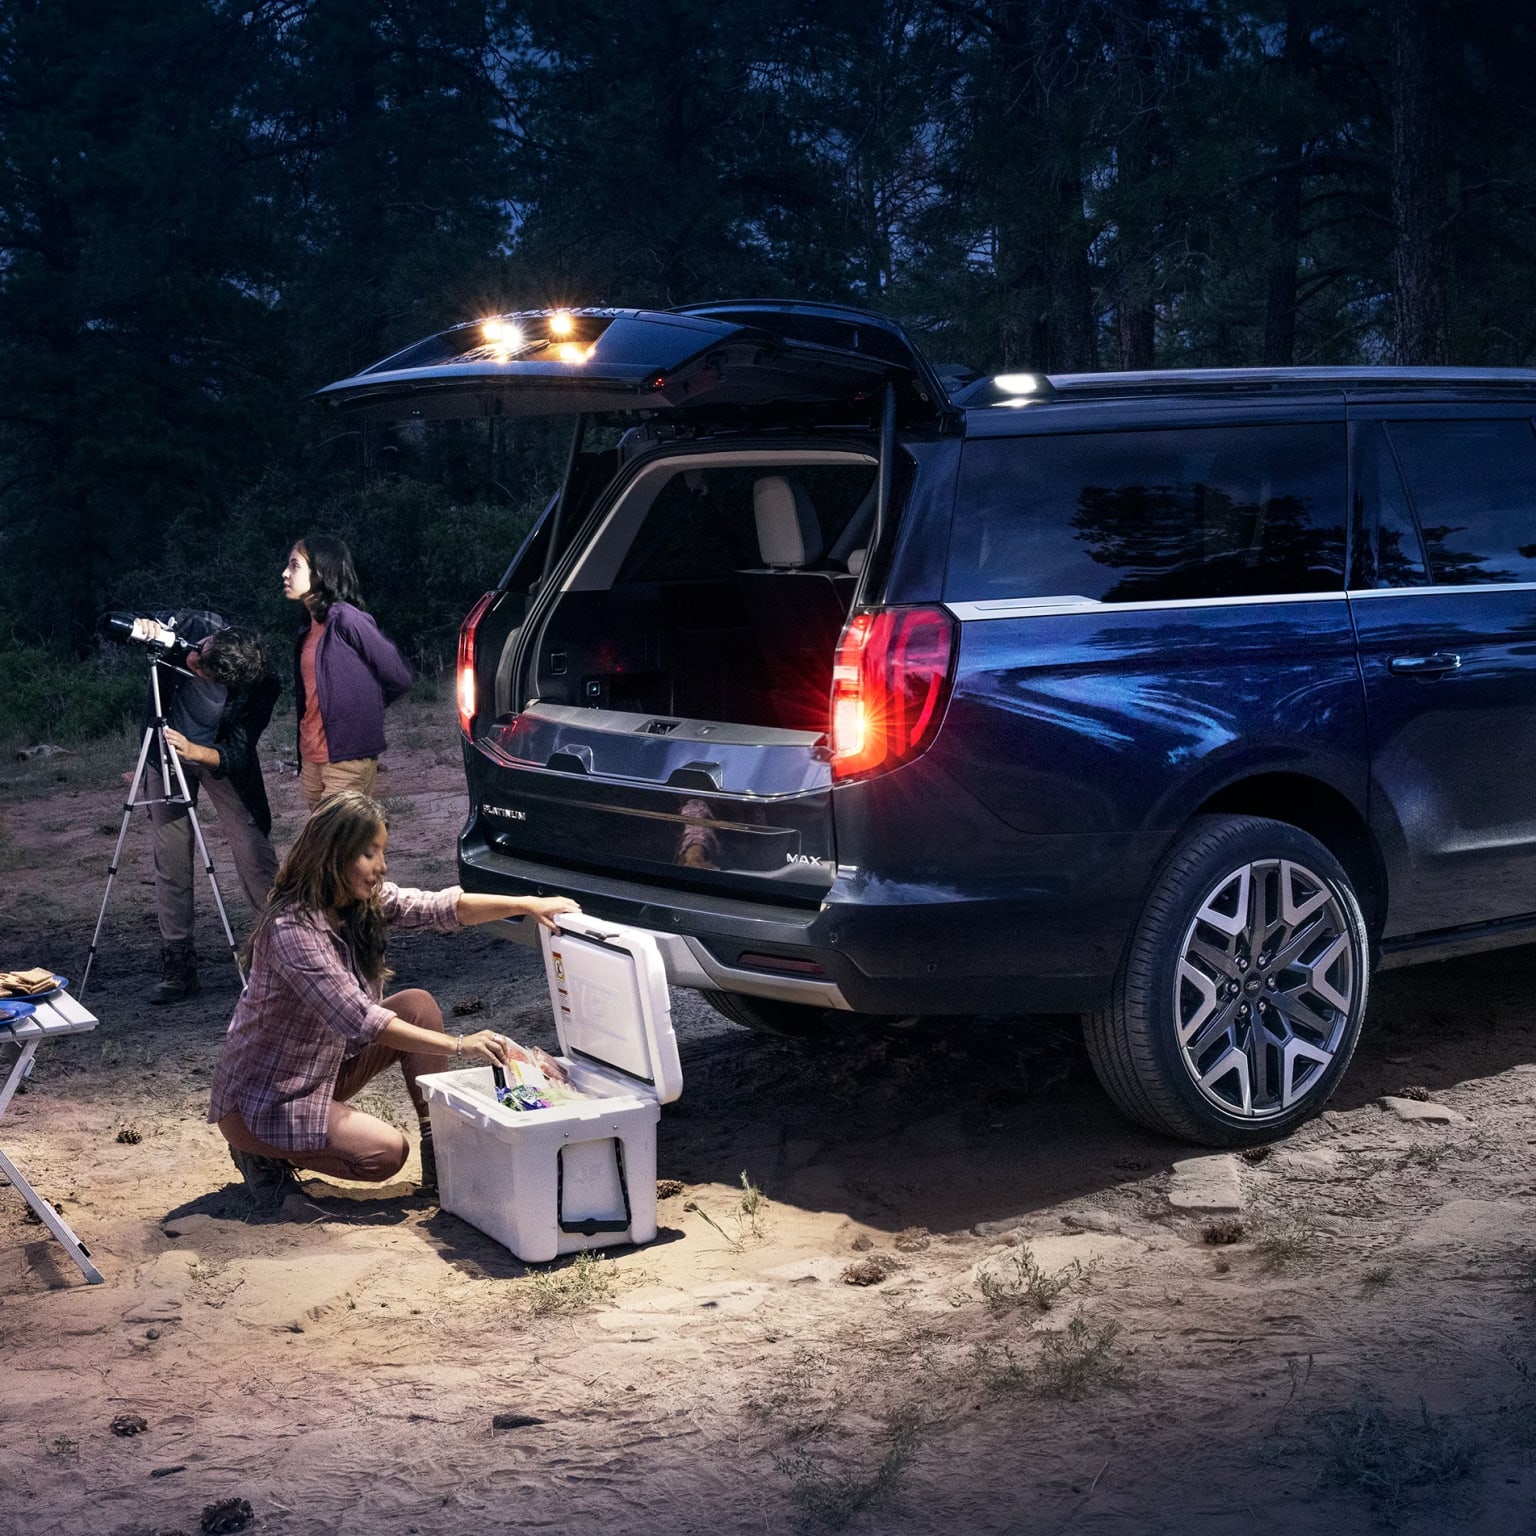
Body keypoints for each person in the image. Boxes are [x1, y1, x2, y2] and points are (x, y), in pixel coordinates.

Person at [207, 790, 580, 1212]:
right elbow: (363, 1019)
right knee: (384, 1154)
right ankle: (261, 1154)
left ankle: (438, 1148)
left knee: (417, 1004)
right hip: (264, 1099)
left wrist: (526, 904)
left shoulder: (354, 902)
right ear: (333, 855)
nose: (380, 867)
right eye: (368, 853)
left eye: (382, 852)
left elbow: (441, 906)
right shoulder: (293, 930)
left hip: (320, 1073)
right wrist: (461, 1045)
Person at [135, 611, 281, 1005]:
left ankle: (284, 950)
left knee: (253, 851)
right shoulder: (192, 627)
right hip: (164, 758)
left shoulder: (262, 686)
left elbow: (237, 749)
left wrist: (196, 751)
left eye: (202, 667)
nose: (193, 659)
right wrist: (146, 626)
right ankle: (178, 963)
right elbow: (114, 625)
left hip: (216, 758)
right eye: (200, 653)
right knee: (171, 858)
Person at [282, 534, 413, 811]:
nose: (285, 573)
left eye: (294, 566)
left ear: (320, 572)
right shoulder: (307, 628)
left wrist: (361, 709)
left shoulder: (347, 619)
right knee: (336, 845)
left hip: (346, 755)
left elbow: (398, 676)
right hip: (312, 755)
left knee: (338, 843)